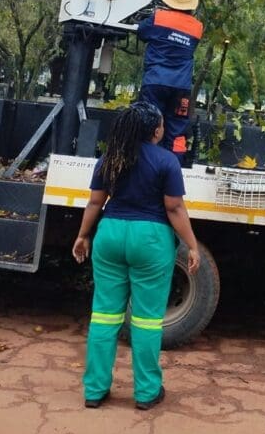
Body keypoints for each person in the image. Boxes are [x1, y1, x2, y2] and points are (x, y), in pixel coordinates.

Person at [72, 100, 201, 410]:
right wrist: (192, 245)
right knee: (146, 320)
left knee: (104, 315)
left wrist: (82, 235)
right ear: (155, 131)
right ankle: (146, 393)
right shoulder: (166, 161)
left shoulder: (110, 160)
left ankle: (95, 390)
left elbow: (95, 202)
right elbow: (174, 208)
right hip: (150, 240)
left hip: (110, 235)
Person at [136, 0, 204, 162]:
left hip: (155, 82)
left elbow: (141, 32)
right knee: (177, 131)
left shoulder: (159, 17)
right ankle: (174, 168)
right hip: (181, 87)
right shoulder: (197, 27)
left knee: (150, 125)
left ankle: (147, 166)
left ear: (170, 3)